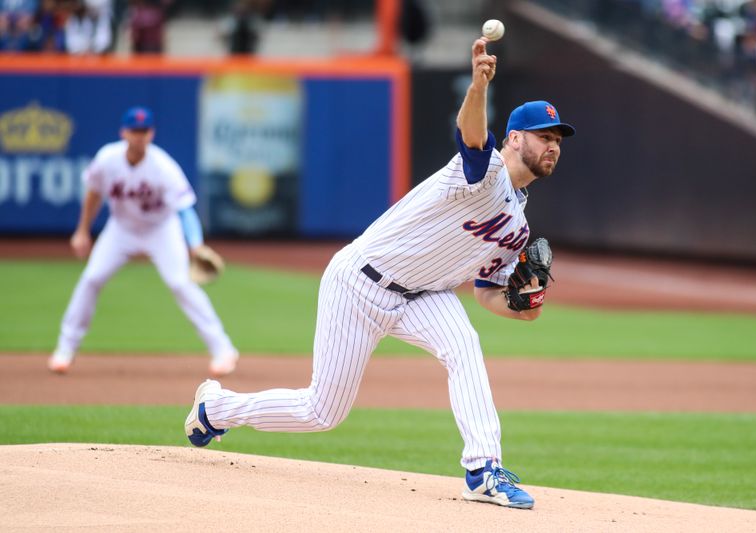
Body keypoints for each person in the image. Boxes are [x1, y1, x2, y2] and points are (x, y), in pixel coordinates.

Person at [184, 37, 575, 509]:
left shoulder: (517, 227)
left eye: (556, 141)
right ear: (515, 138)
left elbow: (488, 292)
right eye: (544, 137)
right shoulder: (485, 171)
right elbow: (472, 133)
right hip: (359, 282)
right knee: (322, 412)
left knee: (463, 345)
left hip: (422, 297)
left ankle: (483, 470)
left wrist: (524, 307)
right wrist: (478, 85)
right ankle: (217, 407)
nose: (553, 147)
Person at [49, 106, 239, 377]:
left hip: (160, 229)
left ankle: (223, 350)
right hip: (121, 229)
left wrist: (195, 244)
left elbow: (185, 209)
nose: (139, 136)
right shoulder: (107, 159)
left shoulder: (164, 167)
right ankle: (65, 349)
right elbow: (94, 194)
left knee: (180, 283)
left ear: (152, 134)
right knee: (92, 278)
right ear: (123, 132)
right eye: (135, 130)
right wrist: (82, 230)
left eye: (144, 131)